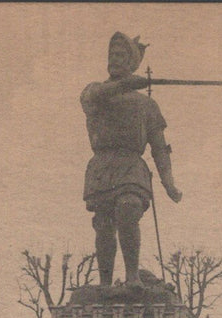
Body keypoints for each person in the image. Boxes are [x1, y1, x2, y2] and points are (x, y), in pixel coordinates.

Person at [81, 32, 183, 286]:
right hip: (102, 164)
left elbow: (159, 148)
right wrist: (126, 84)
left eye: (120, 55)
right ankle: (105, 283)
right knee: (103, 224)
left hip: (131, 164)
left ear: (131, 62)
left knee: (128, 209)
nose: (114, 59)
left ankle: (132, 277)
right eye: (111, 55)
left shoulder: (146, 105)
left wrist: (168, 182)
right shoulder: (94, 91)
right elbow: (94, 96)